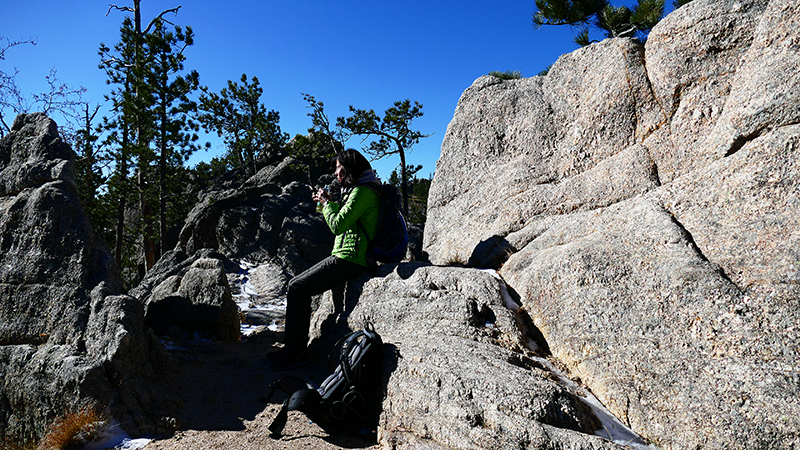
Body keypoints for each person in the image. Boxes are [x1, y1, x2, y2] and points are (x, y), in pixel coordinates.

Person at [268, 149, 381, 370]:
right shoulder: (360, 190)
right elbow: (345, 222)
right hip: (347, 255)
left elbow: (338, 225)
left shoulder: (363, 192)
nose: (337, 175)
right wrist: (328, 202)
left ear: (350, 169)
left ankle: (297, 353)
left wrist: (327, 204)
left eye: (339, 169)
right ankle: (291, 349)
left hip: (351, 258)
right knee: (299, 286)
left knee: (297, 286)